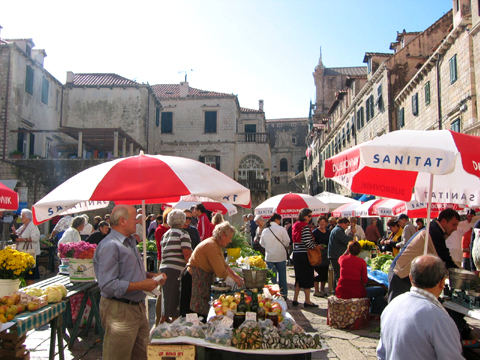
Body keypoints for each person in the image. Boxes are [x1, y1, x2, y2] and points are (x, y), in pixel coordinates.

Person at [94, 205, 167, 360]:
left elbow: (129, 271)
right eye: (135, 218)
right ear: (122, 221)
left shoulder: (129, 242)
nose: (139, 221)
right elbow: (108, 285)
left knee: (141, 355)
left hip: (136, 307)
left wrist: (150, 275)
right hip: (119, 309)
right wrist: (142, 285)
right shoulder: (110, 246)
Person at [377, 255, 463, 360]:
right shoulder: (439, 318)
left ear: (410, 278)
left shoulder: (392, 306)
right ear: (442, 283)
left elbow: (381, 354)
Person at [388, 209, 460, 302]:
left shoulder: (434, 229)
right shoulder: (434, 231)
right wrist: (463, 276)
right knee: (397, 310)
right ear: (443, 221)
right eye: (454, 224)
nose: (455, 228)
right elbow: (445, 259)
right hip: (400, 274)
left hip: (404, 274)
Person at [187, 221, 244, 317]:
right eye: (229, 238)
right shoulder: (211, 246)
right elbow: (221, 272)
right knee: (197, 311)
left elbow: (225, 265)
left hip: (201, 277)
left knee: (202, 309)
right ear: (222, 235)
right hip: (194, 278)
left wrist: (237, 277)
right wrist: (235, 280)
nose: (230, 241)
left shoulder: (216, 245)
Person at [159, 209, 192, 322]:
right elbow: (186, 253)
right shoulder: (183, 234)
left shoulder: (165, 234)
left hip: (164, 267)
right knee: (175, 298)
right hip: (176, 269)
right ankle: (173, 326)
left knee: (166, 297)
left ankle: (163, 322)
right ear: (182, 221)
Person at [336, 241, 386, 314]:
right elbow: (364, 280)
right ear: (359, 251)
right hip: (357, 292)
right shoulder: (361, 262)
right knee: (381, 290)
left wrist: (347, 250)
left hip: (341, 291)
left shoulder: (342, 259)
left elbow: (341, 257)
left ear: (348, 249)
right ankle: (374, 313)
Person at [291, 208, 318, 308]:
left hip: (296, 254)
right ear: (304, 216)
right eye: (309, 216)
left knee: (298, 277)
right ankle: (307, 301)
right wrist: (315, 246)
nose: (310, 218)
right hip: (304, 255)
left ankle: (295, 299)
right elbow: (307, 243)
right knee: (307, 277)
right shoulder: (305, 227)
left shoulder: (295, 226)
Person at [259, 213, 290, 299]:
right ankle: (284, 295)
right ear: (277, 220)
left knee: (272, 278)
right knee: (282, 277)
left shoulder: (265, 230)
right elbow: (287, 241)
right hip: (280, 256)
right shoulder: (282, 229)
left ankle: (273, 295)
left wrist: (269, 247)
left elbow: (262, 243)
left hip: (269, 257)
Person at [179, 209, 201, 316]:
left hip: (192, 264)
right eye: (185, 218)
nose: (188, 220)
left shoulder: (194, 230)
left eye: (189, 218)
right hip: (180, 264)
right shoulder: (177, 231)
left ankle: (189, 313)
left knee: (190, 291)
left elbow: (198, 246)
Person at [14, 209, 41, 283]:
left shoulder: (33, 225)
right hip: (23, 253)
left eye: (23, 216)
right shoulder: (23, 226)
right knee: (25, 274)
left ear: (28, 217)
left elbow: (35, 238)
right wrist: (14, 232)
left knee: (30, 275)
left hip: (30, 254)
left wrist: (22, 240)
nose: (21, 218)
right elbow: (17, 234)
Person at [328, 217, 354, 290]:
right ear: (342, 224)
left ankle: (335, 290)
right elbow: (346, 240)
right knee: (338, 274)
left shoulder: (337, 230)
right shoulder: (338, 230)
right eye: (346, 225)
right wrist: (352, 234)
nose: (347, 227)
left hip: (334, 255)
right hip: (336, 255)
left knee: (337, 274)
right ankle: (338, 291)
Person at [312, 216, 330, 297]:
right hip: (317, 254)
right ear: (318, 223)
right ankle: (316, 290)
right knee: (317, 272)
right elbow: (312, 243)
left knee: (324, 273)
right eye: (321, 223)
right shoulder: (315, 232)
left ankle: (322, 289)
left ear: (326, 223)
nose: (322, 224)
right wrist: (318, 246)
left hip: (326, 255)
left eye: (324, 223)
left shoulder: (328, 232)